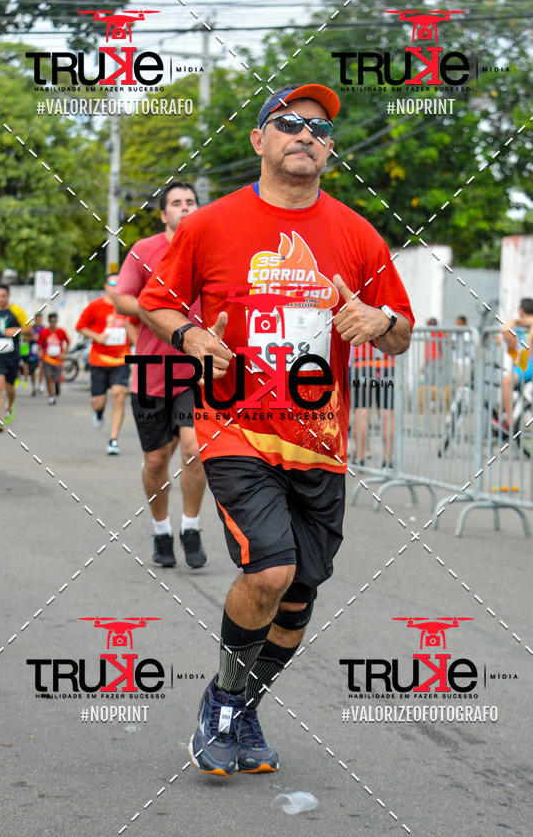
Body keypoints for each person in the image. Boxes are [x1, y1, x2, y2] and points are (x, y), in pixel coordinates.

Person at [138, 82, 414, 777]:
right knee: (271, 568)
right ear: (259, 139)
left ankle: (238, 703)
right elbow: (156, 302)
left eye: (321, 130)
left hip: (320, 443)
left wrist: (380, 324)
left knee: (296, 602)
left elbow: (402, 331)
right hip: (236, 430)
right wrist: (194, 335)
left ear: (329, 153)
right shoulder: (210, 225)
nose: (307, 135)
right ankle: (224, 707)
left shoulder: (358, 233)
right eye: (290, 123)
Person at [113, 181, 208, 569]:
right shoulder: (144, 250)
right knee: (155, 461)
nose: (184, 208)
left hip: (196, 372)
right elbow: (120, 298)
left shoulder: (210, 248)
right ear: (164, 213)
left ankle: (190, 526)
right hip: (152, 372)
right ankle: (160, 531)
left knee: (194, 450)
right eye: (176, 203)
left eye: (190, 202)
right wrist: (159, 313)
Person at [76, 277, 138, 455]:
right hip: (99, 359)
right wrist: (97, 337)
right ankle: (99, 412)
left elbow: (136, 326)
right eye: (112, 284)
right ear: (105, 287)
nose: (116, 286)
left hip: (121, 360)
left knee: (119, 395)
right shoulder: (95, 306)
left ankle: (113, 440)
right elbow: (80, 327)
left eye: (120, 283)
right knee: (98, 402)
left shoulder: (128, 307)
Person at [0, 283, 33, 431]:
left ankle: (10, 404)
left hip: (12, 355)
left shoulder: (16, 311)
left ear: (8, 296)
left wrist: (16, 330)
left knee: (10, 387)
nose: (0, 299)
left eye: (3, 296)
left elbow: (30, 329)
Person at [500, 298, 533, 428]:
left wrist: (512, 324)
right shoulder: (529, 323)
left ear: (521, 310)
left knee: (507, 382)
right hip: (529, 363)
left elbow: (506, 331)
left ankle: (508, 421)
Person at [38, 313, 70, 404]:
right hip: (47, 359)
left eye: (54, 320)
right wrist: (40, 352)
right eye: (51, 320)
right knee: (48, 378)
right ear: (49, 321)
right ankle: (51, 397)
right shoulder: (44, 332)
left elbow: (68, 342)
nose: (53, 322)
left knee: (57, 379)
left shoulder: (61, 332)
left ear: (56, 321)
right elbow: (40, 344)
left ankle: (57, 386)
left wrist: (64, 353)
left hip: (58, 361)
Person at [27, 312, 44, 396]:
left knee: (41, 367)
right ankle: (34, 386)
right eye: (37, 319)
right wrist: (32, 338)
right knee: (32, 372)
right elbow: (24, 338)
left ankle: (40, 384)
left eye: (40, 319)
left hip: (41, 352)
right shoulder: (30, 329)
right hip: (32, 353)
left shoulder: (44, 329)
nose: (38, 321)